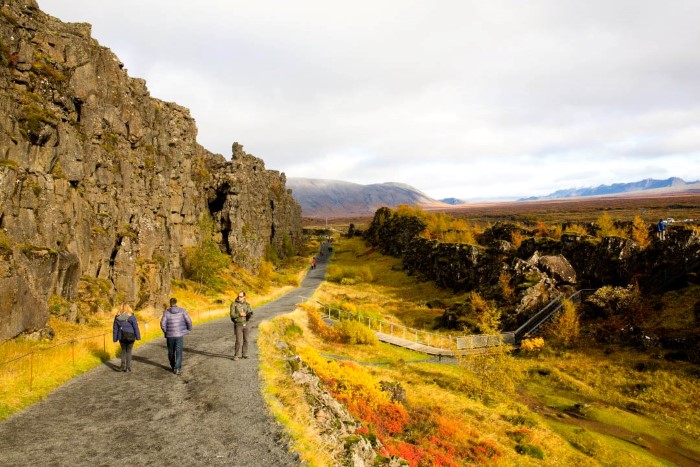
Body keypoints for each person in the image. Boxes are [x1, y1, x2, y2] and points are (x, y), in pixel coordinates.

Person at [160, 297, 192, 375]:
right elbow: (189, 321)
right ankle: (177, 368)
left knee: (171, 352)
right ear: (176, 302)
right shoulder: (182, 311)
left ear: (170, 303)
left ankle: (173, 365)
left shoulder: (166, 312)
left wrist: (166, 331)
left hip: (170, 335)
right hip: (179, 335)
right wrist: (189, 329)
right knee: (179, 351)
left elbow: (162, 324)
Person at [112, 304, 141, 372]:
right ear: (129, 308)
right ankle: (128, 367)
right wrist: (138, 337)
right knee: (129, 351)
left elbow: (115, 328)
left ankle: (122, 366)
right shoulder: (131, 316)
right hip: (131, 335)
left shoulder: (117, 317)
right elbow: (135, 327)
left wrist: (115, 339)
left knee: (123, 351)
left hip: (121, 336)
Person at [230, 291, 253, 360]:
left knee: (246, 340)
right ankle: (236, 355)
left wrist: (248, 315)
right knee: (238, 341)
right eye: (238, 296)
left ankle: (244, 354)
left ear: (244, 297)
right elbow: (232, 315)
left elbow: (250, 313)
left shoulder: (247, 304)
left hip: (246, 324)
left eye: (240, 296)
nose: (239, 297)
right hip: (238, 325)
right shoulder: (234, 304)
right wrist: (239, 315)